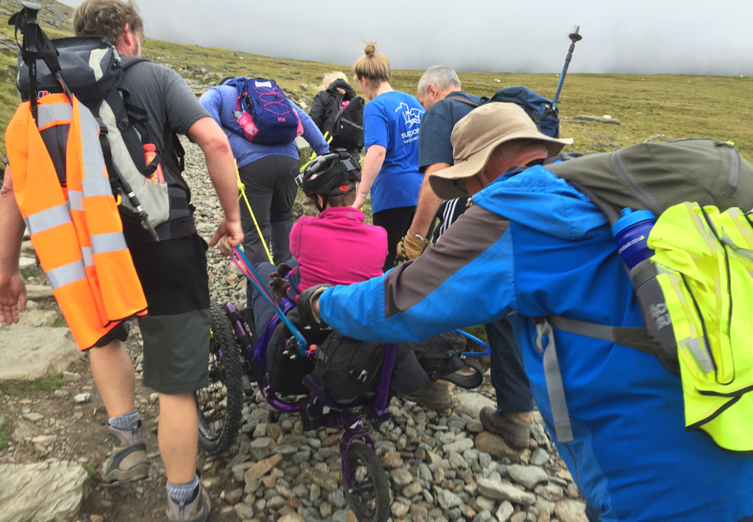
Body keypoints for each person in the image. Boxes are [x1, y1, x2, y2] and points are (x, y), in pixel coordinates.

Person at [299, 103, 753, 522]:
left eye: (464, 182)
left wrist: (322, 301)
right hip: (734, 418)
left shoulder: (516, 212)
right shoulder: (607, 191)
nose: (467, 194)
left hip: (659, 478)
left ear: (482, 167)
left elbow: (397, 303)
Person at [0, 0, 242, 522]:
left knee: (105, 336)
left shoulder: (44, 92)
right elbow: (215, 144)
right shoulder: (154, 76)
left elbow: (13, 190)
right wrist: (232, 217)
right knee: (176, 380)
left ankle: (127, 445)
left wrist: (8, 271)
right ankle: (185, 501)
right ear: (127, 32)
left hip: (89, 246)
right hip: (164, 236)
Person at [400, 66, 535, 444]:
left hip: (471, 216)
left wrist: (415, 239)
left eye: (423, 100)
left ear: (432, 91)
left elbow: (435, 180)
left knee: (437, 290)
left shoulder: (440, 113)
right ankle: (516, 415)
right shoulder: (484, 108)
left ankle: (436, 384)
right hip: (516, 218)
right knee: (506, 311)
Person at [246, 150, 387, 365]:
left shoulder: (303, 229)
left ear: (320, 198)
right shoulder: (380, 236)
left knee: (261, 269)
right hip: (355, 329)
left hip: (306, 326)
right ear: (356, 190)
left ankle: (262, 348)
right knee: (294, 265)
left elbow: (298, 252)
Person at [200, 77, 330, 268]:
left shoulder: (219, 93)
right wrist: (325, 154)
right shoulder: (272, 95)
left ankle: (263, 294)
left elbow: (203, 107)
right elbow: (305, 120)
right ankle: (286, 288)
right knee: (284, 219)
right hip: (290, 163)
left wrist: (220, 144)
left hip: (253, 167)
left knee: (255, 232)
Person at [350, 42, 424, 271]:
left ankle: (387, 306)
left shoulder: (374, 107)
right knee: (415, 258)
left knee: (385, 260)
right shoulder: (413, 101)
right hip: (422, 190)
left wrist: (361, 193)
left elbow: (377, 151)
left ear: (364, 80)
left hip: (393, 193)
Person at [308, 71, 357, 136]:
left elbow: (314, 120)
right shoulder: (354, 100)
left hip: (326, 141)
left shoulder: (322, 96)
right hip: (349, 144)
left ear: (327, 85)